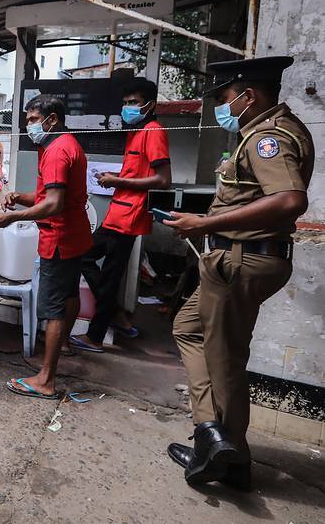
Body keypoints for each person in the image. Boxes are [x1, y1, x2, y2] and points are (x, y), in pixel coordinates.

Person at [161, 57, 314, 491]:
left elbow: (290, 199)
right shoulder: (275, 129)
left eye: (225, 97)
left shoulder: (268, 137)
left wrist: (205, 224)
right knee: (188, 328)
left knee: (225, 359)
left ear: (248, 96)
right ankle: (212, 433)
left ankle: (230, 458)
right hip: (242, 257)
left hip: (240, 259)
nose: (222, 107)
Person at [0, 95, 91, 399]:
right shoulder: (68, 144)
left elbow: (54, 204)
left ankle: (46, 379)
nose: (29, 126)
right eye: (28, 120)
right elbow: (51, 196)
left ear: (52, 119)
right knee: (70, 294)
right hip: (75, 235)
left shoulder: (57, 151)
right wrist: (20, 197)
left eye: (34, 120)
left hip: (58, 239)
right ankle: (62, 345)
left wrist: (12, 217)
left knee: (53, 308)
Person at [71, 78, 172, 353]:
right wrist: (117, 177)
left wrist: (117, 181)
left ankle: (96, 335)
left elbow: (163, 180)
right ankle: (117, 316)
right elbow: (138, 173)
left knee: (104, 272)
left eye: (134, 102)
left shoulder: (153, 131)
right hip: (118, 213)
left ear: (150, 105)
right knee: (88, 259)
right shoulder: (136, 131)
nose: (128, 107)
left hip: (130, 216)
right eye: (125, 103)